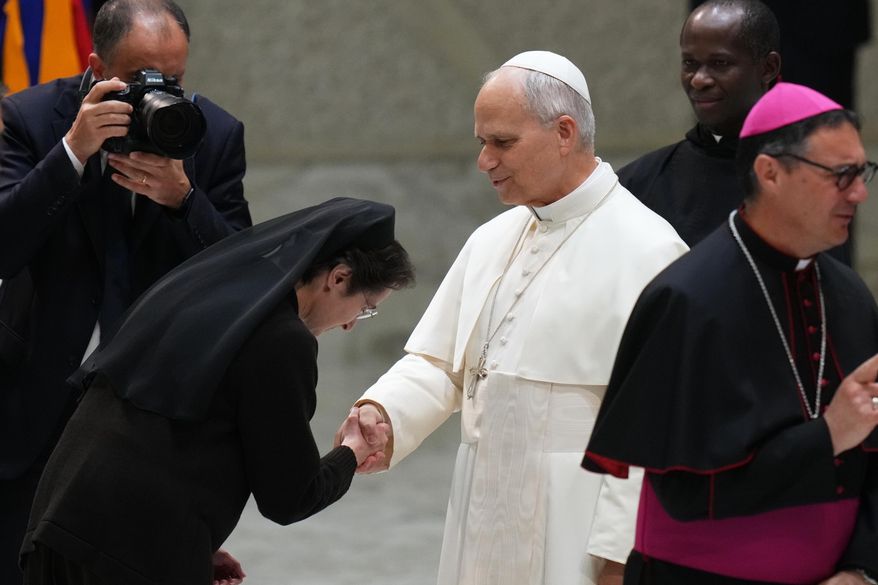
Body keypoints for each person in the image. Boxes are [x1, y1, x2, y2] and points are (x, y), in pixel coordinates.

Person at [344, 51, 689, 585]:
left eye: (502, 142)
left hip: (576, 515)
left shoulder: (649, 249)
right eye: (482, 142)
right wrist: (386, 412)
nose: (485, 160)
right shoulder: (492, 238)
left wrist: (622, 551)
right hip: (483, 498)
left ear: (565, 132)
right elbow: (444, 363)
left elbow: (658, 423)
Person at [20, 197, 414, 585]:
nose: (351, 325)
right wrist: (353, 452)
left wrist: (189, 545)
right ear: (339, 277)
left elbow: (159, 430)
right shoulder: (282, 338)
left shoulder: (212, 291)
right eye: (366, 307)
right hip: (123, 555)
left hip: (58, 525)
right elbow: (290, 497)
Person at [583, 82, 878, 584]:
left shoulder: (849, 296)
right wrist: (827, 436)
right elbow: (686, 494)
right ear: (770, 173)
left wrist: (861, 568)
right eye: (841, 175)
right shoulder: (686, 300)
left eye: (862, 172)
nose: (860, 192)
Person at [0, 1, 251, 582]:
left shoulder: (211, 135)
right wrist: (72, 153)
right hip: (34, 400)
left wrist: (186, 201)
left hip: (147, 415)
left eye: (176, 78)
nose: (160, 93)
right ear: (96, 63)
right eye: (141, 79)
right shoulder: (33, 117)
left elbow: (242, 276)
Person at [619, 0, 781, 249]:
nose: (699, 80)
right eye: (690, 64)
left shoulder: (806, 174)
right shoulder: (638, 183)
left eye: (720, 63)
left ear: (768, 68)